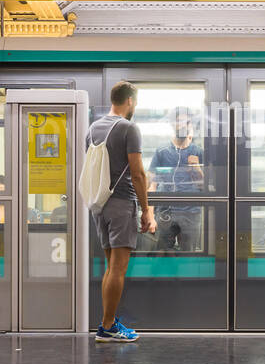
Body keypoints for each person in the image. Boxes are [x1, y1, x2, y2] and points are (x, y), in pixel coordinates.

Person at [88, 81, 157, 342]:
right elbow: (138, 174)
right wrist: (146, 211)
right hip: (121, 204)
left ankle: (107, 323)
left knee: (110, 267)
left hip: (100, 204)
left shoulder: (94, 128)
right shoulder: (128, 128)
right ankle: (107, 326)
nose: (134, 107)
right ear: (129, 101)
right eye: (135, 103)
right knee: (118, 268)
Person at [148, 107, 205, 252]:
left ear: (191, 125)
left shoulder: (198, 152)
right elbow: (151, 185)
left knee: (189, 255)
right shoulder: (162, 152)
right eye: (179, 121)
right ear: (172, 124)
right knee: (162, 253)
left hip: (191, 212)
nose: (183, 125)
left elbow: (206, 188)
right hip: (166, 211)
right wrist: (149, 215)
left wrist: (197, 169)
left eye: (187, 122)